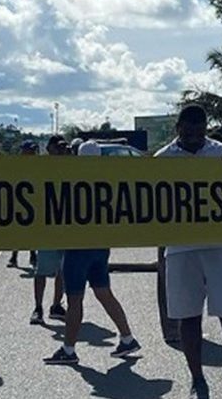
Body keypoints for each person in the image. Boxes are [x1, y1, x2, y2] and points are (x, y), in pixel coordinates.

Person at [155, 105, 222, 399]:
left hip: (218, 247)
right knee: (188, 318)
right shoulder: (161, 160)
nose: (193, 135)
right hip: (180, 249)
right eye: (187, 130)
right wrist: (159, 254)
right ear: (178, 128)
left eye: (198, 129)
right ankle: (197, 380)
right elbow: (151, 209)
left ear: (205, 127)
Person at [43, 140, 141, 365]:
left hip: (78, 247)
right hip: (100, 246)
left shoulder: (73, 179)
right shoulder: (106, 180)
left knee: (75, 299)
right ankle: (127, 337)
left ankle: (68, 350)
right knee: (104, 292)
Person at [30, 137, 68, 325]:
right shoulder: (41, 167)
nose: (61, 152)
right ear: (49, 149)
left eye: (63, 149)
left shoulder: (70, 168)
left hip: (65, 227)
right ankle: (38, 307)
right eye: (58, 148)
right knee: (42, 271)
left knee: (62, 270)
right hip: (46, 227)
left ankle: (56, 305)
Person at [8, 140, 39, 268]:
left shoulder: (39, 165)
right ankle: (14, 257)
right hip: (18, 201)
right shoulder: (16, 165)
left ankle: (33, 255)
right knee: (17, 231)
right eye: (29, 150)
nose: (32, 153)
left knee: (32, 231)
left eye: (33, 150)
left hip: (34, 201)